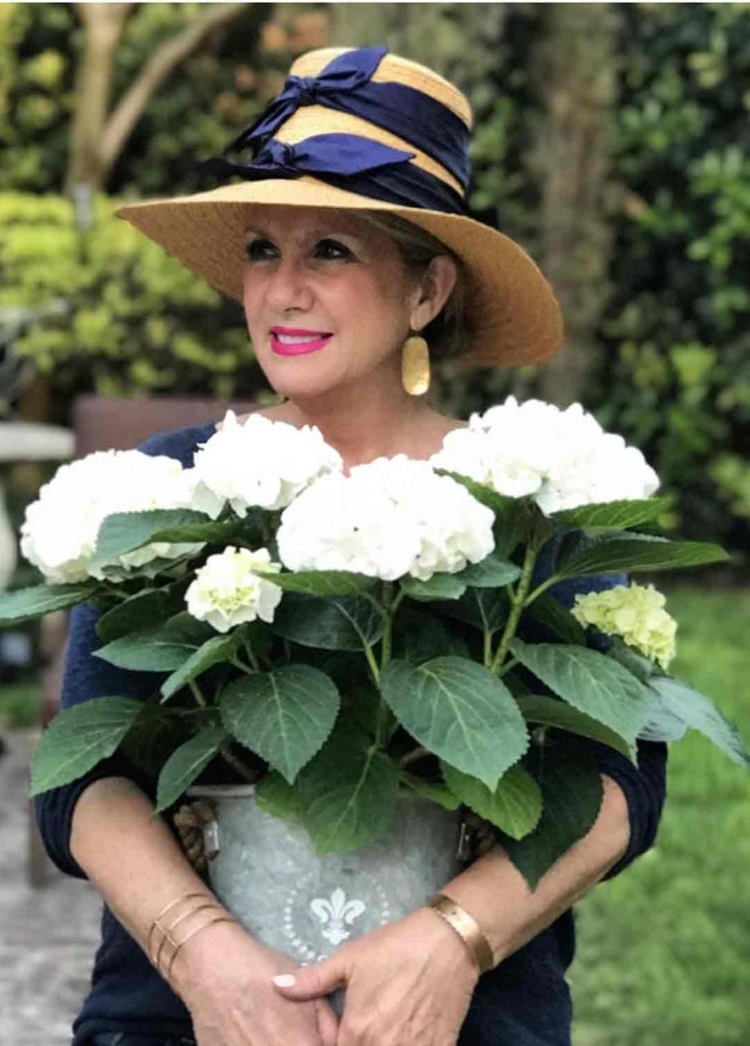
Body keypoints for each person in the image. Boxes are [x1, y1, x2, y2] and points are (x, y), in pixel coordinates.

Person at [35, 46, 667, 1046]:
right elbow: (84, 772)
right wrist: (204, 956)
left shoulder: (527, 494)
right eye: (262, 249)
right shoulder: (169, 484)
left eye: (330, 250)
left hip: (455, 1013)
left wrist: (451, 939)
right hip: (186, 1012)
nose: (282, 291)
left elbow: (620, 782)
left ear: (426, 291)